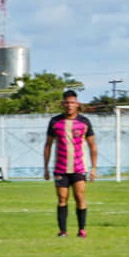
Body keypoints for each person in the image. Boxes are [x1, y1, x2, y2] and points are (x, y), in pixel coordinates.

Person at [43, 90, 98, 237]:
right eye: (67, 102)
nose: (69, 105)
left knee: (80, 197)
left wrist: (93, 168)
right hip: (60, 168)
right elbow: (48, 145)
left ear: (77, 104)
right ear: (63, 104)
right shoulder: (55, 122)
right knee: (62, 199)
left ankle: (81, 230)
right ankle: (63, 231)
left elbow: (92, 146)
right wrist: (46, 168)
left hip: (79, 167)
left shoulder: (84, 122)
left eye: (72, 102)